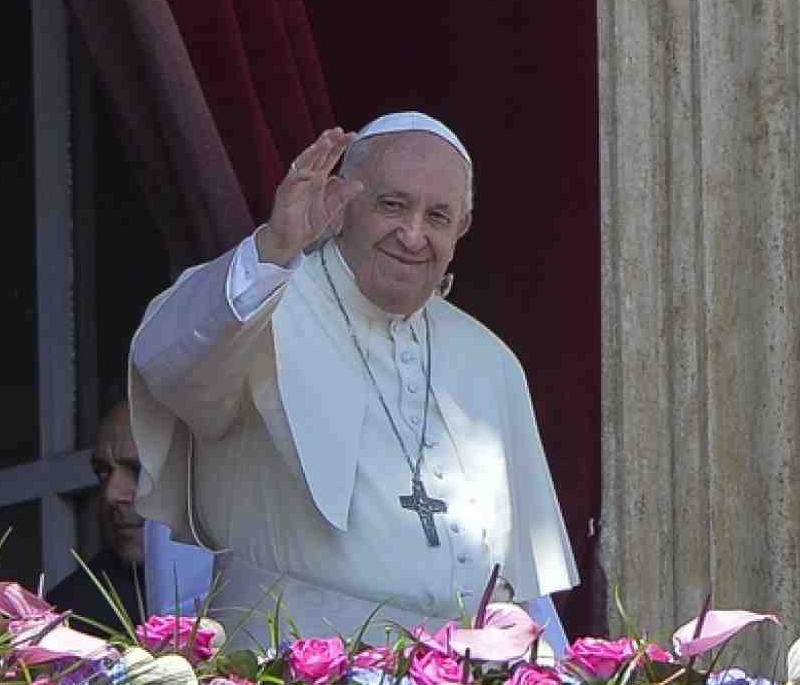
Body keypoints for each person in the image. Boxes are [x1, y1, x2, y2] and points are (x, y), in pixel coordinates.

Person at [129, 112, 577, 647]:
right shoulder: (261, 304)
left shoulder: (490, 360)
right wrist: (273, 248)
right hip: (289, 662)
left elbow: (520, 589)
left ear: (460, 231)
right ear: (342, 207)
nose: (413, 235)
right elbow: (168, 359)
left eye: (438, 216)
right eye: (392, 205)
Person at [46, 400, 147, 628]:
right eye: (102, 472)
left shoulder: (238, 586)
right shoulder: (64, 621)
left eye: (137, 469)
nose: (111, 494)